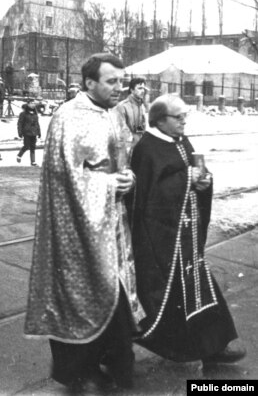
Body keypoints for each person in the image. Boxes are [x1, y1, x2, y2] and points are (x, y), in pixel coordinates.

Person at [24, 53, 145, 392]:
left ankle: (112, 368)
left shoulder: (114, 114)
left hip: (112, 226)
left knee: (114, 297)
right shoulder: (69, 117)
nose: (119, 88)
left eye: (121, 81)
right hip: (78, 230)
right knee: (81, 299)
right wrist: (109, 185)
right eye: (112, 82)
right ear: (90, 82)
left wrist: (129, 178)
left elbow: (122, 161)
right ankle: (78, 374)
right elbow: (66, 177)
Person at [130, 94, 245, 366]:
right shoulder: (147, 148)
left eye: (185, 116)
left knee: (201, 290)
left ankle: (214, 348)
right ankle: (120, 348)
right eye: (178, 117)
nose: (184, 121)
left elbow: (194, 172)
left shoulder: (180, 140)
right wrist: (186, 180)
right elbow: (148, 198)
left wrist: (203, 181)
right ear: (159, 119)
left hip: (187, 237)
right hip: (163, 239)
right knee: (168, 299)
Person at [115, 77, 147, 150]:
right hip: (126, 147)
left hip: (139, 146)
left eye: (143, 89)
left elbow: (141, 127)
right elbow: (121, 131)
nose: (143, 91)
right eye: (139, 88)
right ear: (132, 90)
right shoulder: (122, 106)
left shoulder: (141, 106)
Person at [16, 99, 41, 166]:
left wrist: (39, 132)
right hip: (26, 132)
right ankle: (19, 155)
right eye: (31, 103)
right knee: (26, 146)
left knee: (33, 147)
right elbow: (20, 123)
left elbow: (37, 123)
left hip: (34, 132)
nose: (33, 104)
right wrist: (20, 132)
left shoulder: (35, 113)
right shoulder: (23, 114)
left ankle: (33, 161)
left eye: (34, 103)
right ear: (28, 104)